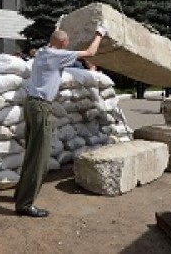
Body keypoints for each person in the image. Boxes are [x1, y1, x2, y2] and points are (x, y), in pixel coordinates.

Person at [14, 24, 106, 218]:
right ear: (63, 43)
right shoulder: (57, 55)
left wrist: (58, 26)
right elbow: (90, 52)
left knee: (32, 153)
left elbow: (55, 39)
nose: (68, 45)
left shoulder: (42, 52)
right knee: (40, 158)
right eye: (67, 42)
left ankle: (20, 195)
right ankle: (25, 204)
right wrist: (100, 33)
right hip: (41, 107)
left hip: (31, 104)